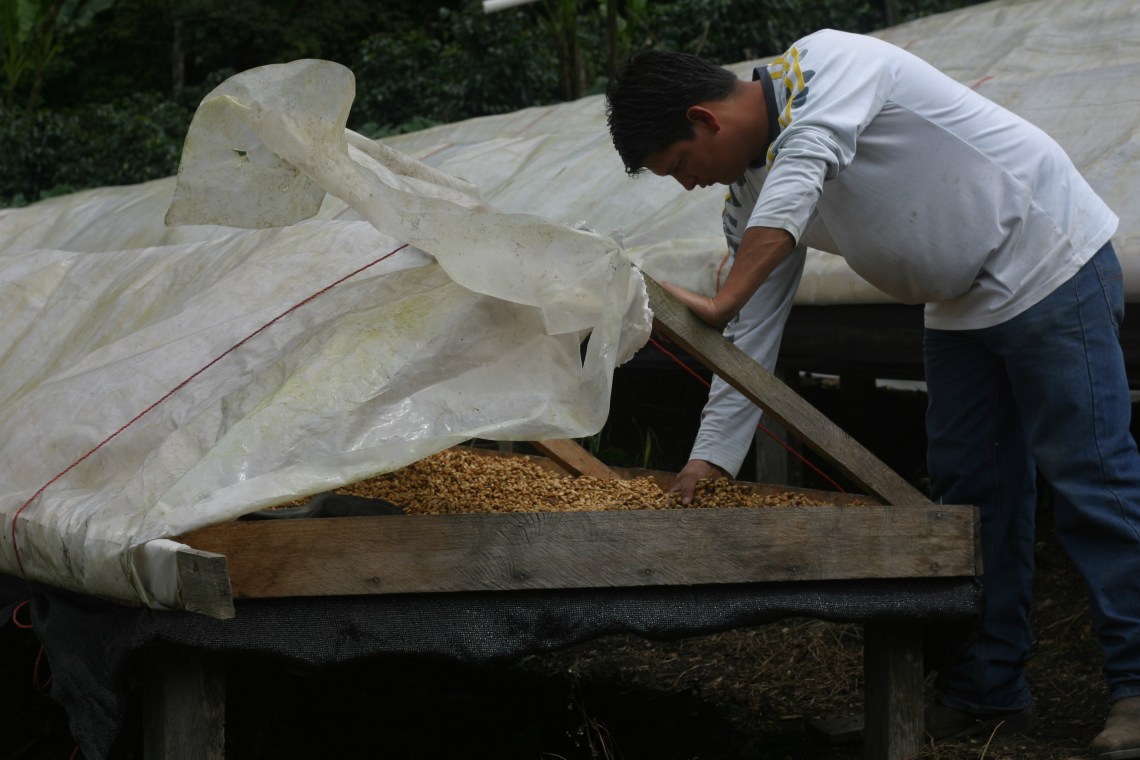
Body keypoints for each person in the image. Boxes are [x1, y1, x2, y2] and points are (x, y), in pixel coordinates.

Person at [604, 29, 1140, 755]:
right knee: (970, 501)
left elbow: (806, 158)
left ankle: (1135, 687)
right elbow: (751, 329)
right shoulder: (751, 193)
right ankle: (987, 692)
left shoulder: (830, 63)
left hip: (1049, 260)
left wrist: (722, 295)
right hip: (956, 307)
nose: (687, 184)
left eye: (679, 165)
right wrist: (707, 462)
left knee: (1093, 480)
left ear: (705, 119)